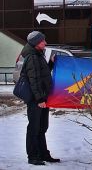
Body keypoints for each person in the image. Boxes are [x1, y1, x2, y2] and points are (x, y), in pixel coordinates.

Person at [23, 31, 60, 165]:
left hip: (42, 97)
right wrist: (40, 100)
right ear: (35, 43)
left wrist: (50, 64)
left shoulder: (38, 55)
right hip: (36, 100)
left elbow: (42, 74)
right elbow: (34, 80)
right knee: (34, 127)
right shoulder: (32, 57)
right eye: (42, 41)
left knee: (42, 127)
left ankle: (43, 153)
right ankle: (33, 156)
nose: (45, 43)